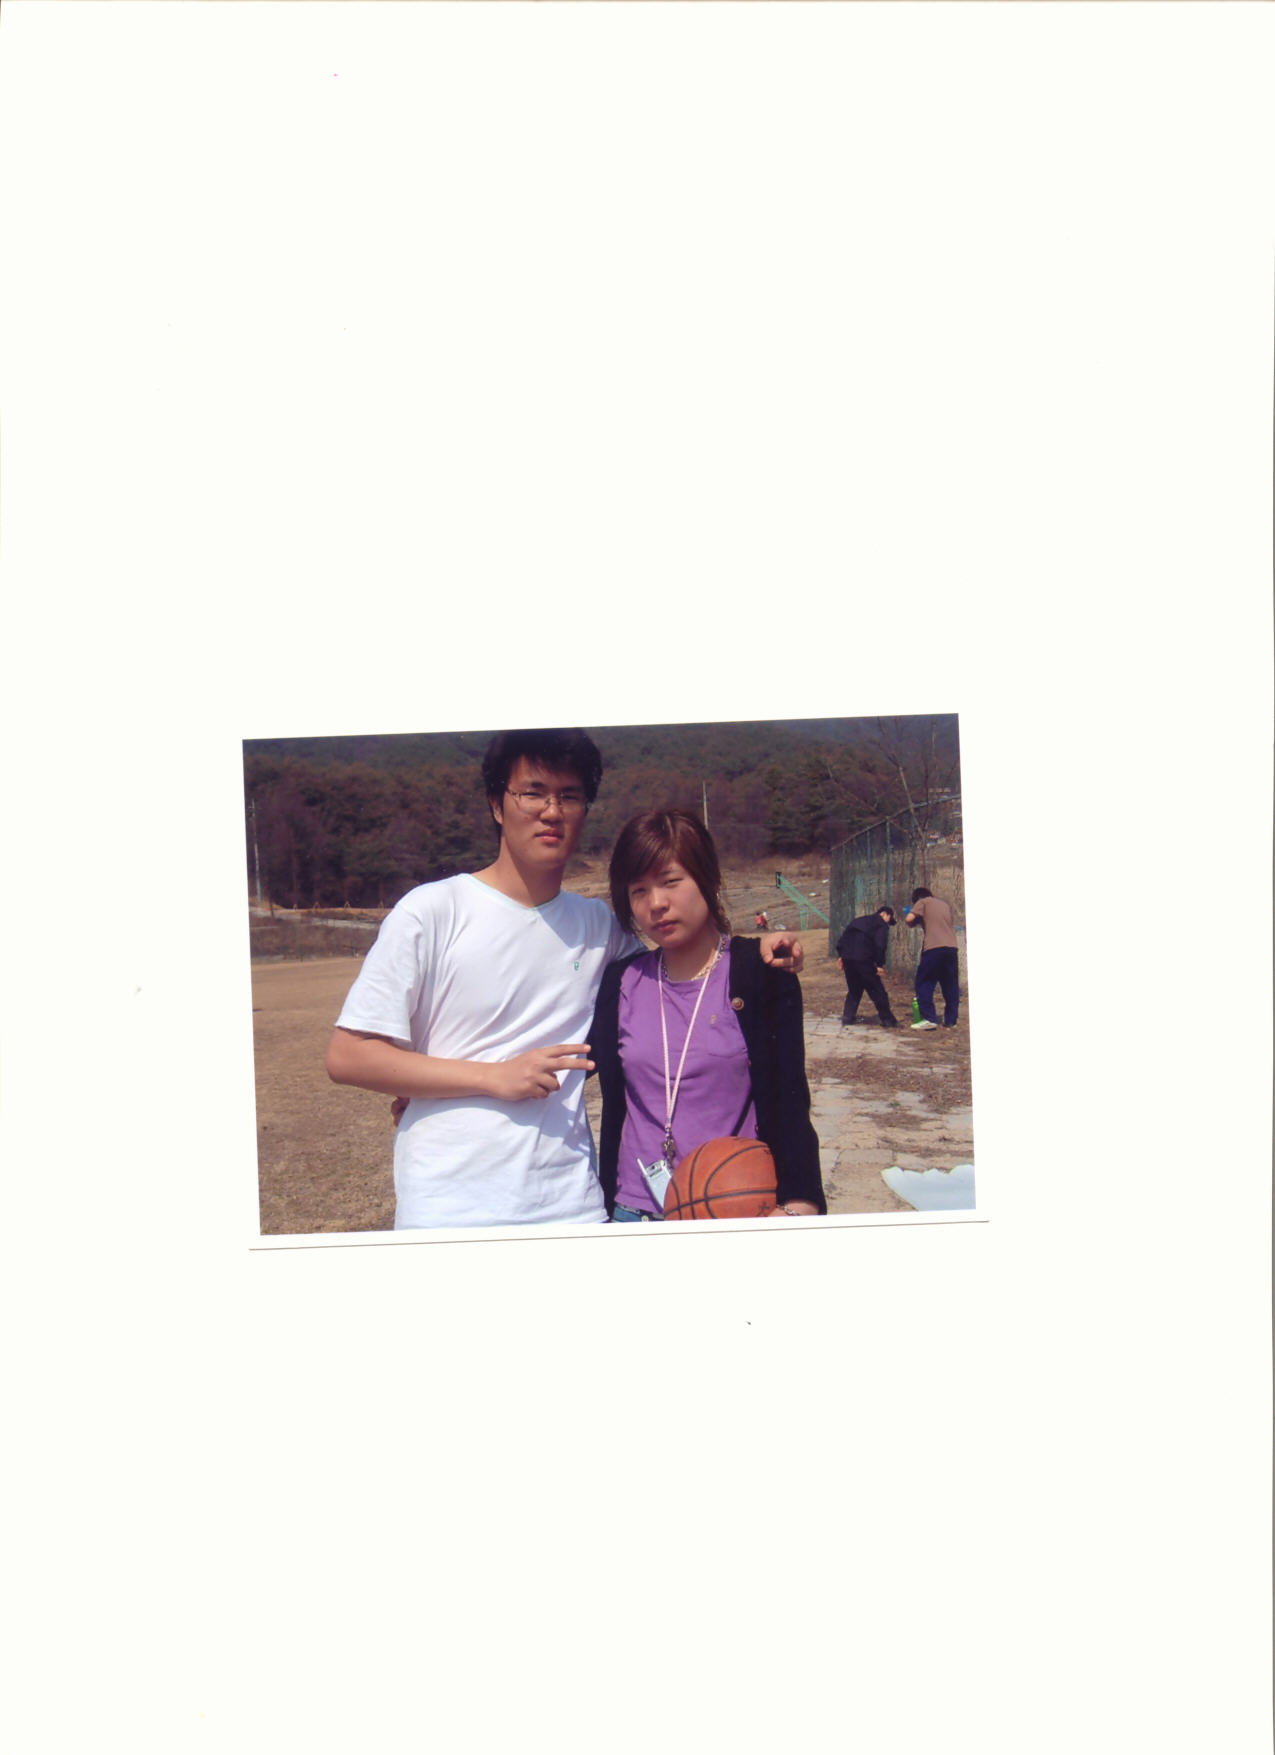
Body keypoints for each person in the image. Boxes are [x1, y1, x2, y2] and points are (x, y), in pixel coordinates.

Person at [325, 729, 802, 1230]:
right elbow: (348, 1055)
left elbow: (686, 969)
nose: (552, 811)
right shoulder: (431, 911)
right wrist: (489, 1077)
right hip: (451, 1208)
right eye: (532, 793)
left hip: (573, 1206)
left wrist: (757, 951)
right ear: (496, 804)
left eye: (569, 796)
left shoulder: (600, 928)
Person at [589, 810, 826, 1223]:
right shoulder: (621, 981)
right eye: (639, 890)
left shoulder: (759, 973)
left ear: (707, 877)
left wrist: (799, 1202)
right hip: (632, 1210)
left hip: (733, 1208)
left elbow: (790, 1099)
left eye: (670, 881)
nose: (656, 904)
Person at [903, 886, 960, 1029]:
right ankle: (951, 1020)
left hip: (934, 948)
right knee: (950, 984)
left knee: (924, 982)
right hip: (951, 948)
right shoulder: (944, 905)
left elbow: (909, 919)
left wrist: (915, 918)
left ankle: (929, 1018)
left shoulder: (923, 902)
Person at [835, 904, 899, 1028]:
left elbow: (843, 939)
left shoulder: (858, 921)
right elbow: (880, 945)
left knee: (854, 988)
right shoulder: (881, 924)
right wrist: (879, 964)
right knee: (877, 990)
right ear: (885, 914)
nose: (888, 924)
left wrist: (841, 955)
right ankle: (888, 1020)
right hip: (864, 959)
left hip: (848, 958)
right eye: (889, 920)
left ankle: (848, 1017)